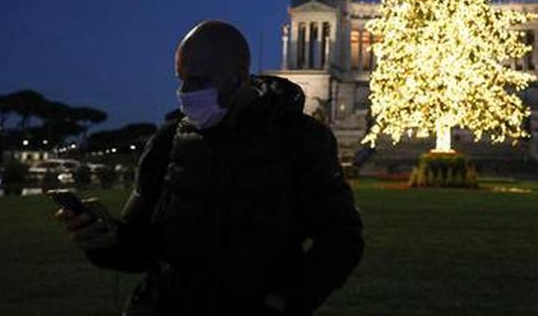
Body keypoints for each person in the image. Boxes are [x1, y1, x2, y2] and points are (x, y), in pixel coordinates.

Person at [55, 20, 365, 315]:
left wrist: (284, 302)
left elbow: (342, 238)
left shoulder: (299, 139)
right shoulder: (168, 140)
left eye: (199, 80)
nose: (186, 92)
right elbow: (142, 247)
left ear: (239, 76)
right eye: (182, 80)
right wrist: (107, 238)